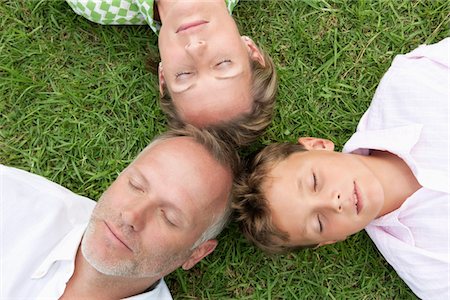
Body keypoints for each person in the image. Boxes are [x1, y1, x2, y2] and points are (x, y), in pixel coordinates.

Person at [233, 38, 449, 299]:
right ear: (331, 240)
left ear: (317, 145)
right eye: (319, 222)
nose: (332, 202)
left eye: (314, 181)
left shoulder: (412, 85)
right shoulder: (424, 263)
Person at [1, 126, 239, 299]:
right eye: (135, 185)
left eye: (169, 217)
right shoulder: (13, 200)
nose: (132, 216)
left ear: (196, 254)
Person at [66, 0, 277, 145]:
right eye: (223, 63)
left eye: (185, 75)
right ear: (251, 50)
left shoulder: (97, 4)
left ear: (163, 76)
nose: (195, 48)